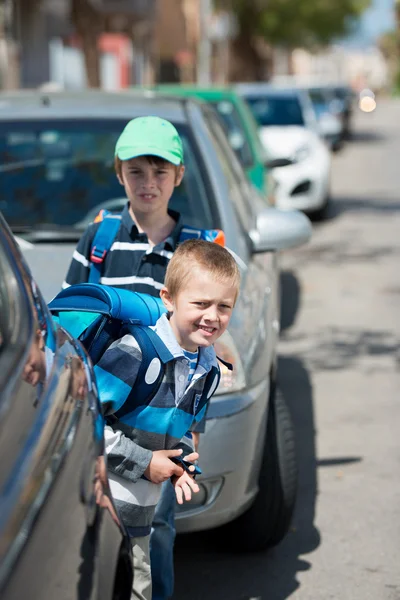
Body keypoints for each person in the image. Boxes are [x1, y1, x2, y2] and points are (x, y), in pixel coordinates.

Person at [62, 116, 221, 600]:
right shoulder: (100, 240)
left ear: (178, 176)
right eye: (136, 172)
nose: (148, 183)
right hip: (100, 410)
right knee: (90, 527)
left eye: (159, 171)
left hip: (162, 418)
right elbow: (69, 315)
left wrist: (196, 424)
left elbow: (206, 341)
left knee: (155, 532)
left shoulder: (196, 248)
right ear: (118, 174)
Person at [94, 239, 240, 600]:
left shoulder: (207, 368)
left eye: (224, 306)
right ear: (169, 298)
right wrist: (146, 463)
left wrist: (181, 464)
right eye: (201, 303)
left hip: (141, 513)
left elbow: (180, 429)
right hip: (101, 510)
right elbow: (84, 423)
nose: (213, 316)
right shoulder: (135, 353)